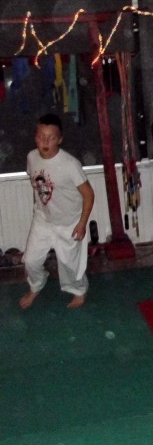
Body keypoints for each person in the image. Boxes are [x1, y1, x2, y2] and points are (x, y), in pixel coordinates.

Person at [20, 113, 95, 309]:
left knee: (70, 264)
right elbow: (36, 185)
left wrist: (82, 223)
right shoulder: (31, 157)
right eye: (41, 136)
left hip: (70, 222)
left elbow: (88, 194)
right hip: (43, 219)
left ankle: (78, 291)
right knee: (30, 261)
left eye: (51, 137)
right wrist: (40, 209)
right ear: (35, 137)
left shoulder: (70, 164)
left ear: (60, 139)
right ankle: (36, 285)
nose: (45, 142)